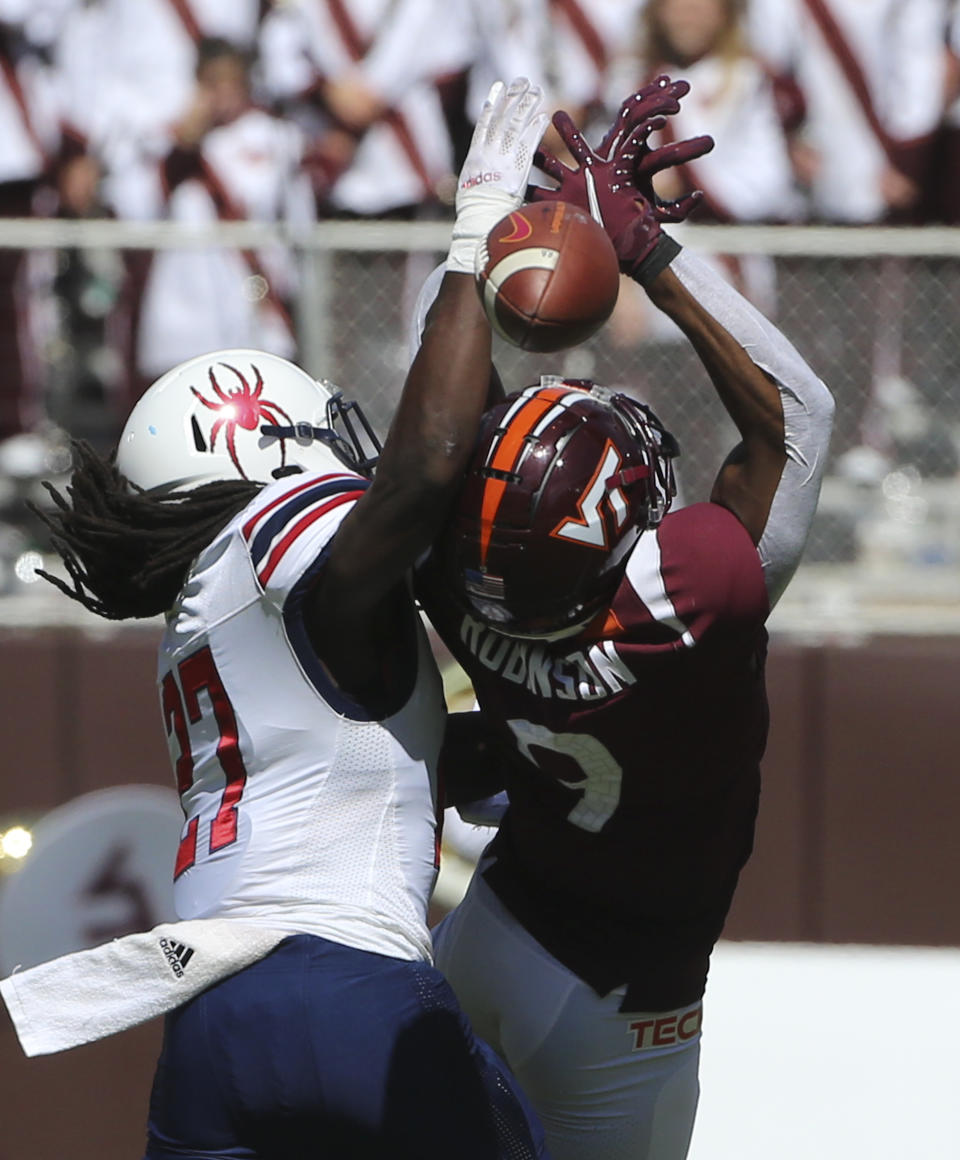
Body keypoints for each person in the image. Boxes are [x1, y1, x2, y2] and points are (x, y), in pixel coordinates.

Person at [2, 78, 552, 1160]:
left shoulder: (201, 610)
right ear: (266, 449)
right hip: (350, 994)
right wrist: (478, 225)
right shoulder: (280, 532)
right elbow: (427, 462)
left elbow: (363, 758)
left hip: (210, 1036)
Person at [411, 78, 835, 1160]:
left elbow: (435, 439)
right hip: (621, 1009)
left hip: (493, 928)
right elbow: (800, 416)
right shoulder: (687, 598)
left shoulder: (454, 576)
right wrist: (643, 249)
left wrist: (483, 251)